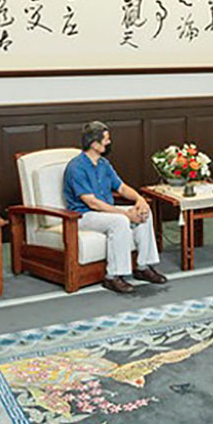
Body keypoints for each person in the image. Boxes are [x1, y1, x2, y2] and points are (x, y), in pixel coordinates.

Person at [63, 121, 168, 294]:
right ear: (94, 143)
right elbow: (92, 203)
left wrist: (140, 200)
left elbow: (121, 188)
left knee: (144, 213)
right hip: (82, 216)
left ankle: (143, 267)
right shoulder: (76, 168)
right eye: (106, 139)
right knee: (119, 221)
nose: (109, 142)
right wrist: (126, 214)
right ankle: (112, 277)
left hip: (105, 212)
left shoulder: (103, 164)